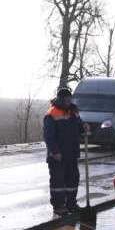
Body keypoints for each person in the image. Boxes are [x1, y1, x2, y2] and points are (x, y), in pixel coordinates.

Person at [43, 86, 85, 215]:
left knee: (73, 179)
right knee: (58, 181)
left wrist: (84, 127)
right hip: (57, 155)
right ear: (60, 99)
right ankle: (59, 206)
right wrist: (55, 152)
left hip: (71, 153)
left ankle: (71, 204)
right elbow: (49, 136)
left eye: (69, 98)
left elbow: (79, 126)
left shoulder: (73, 112)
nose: (68, 101)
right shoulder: (52, 114)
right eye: (65, 99)